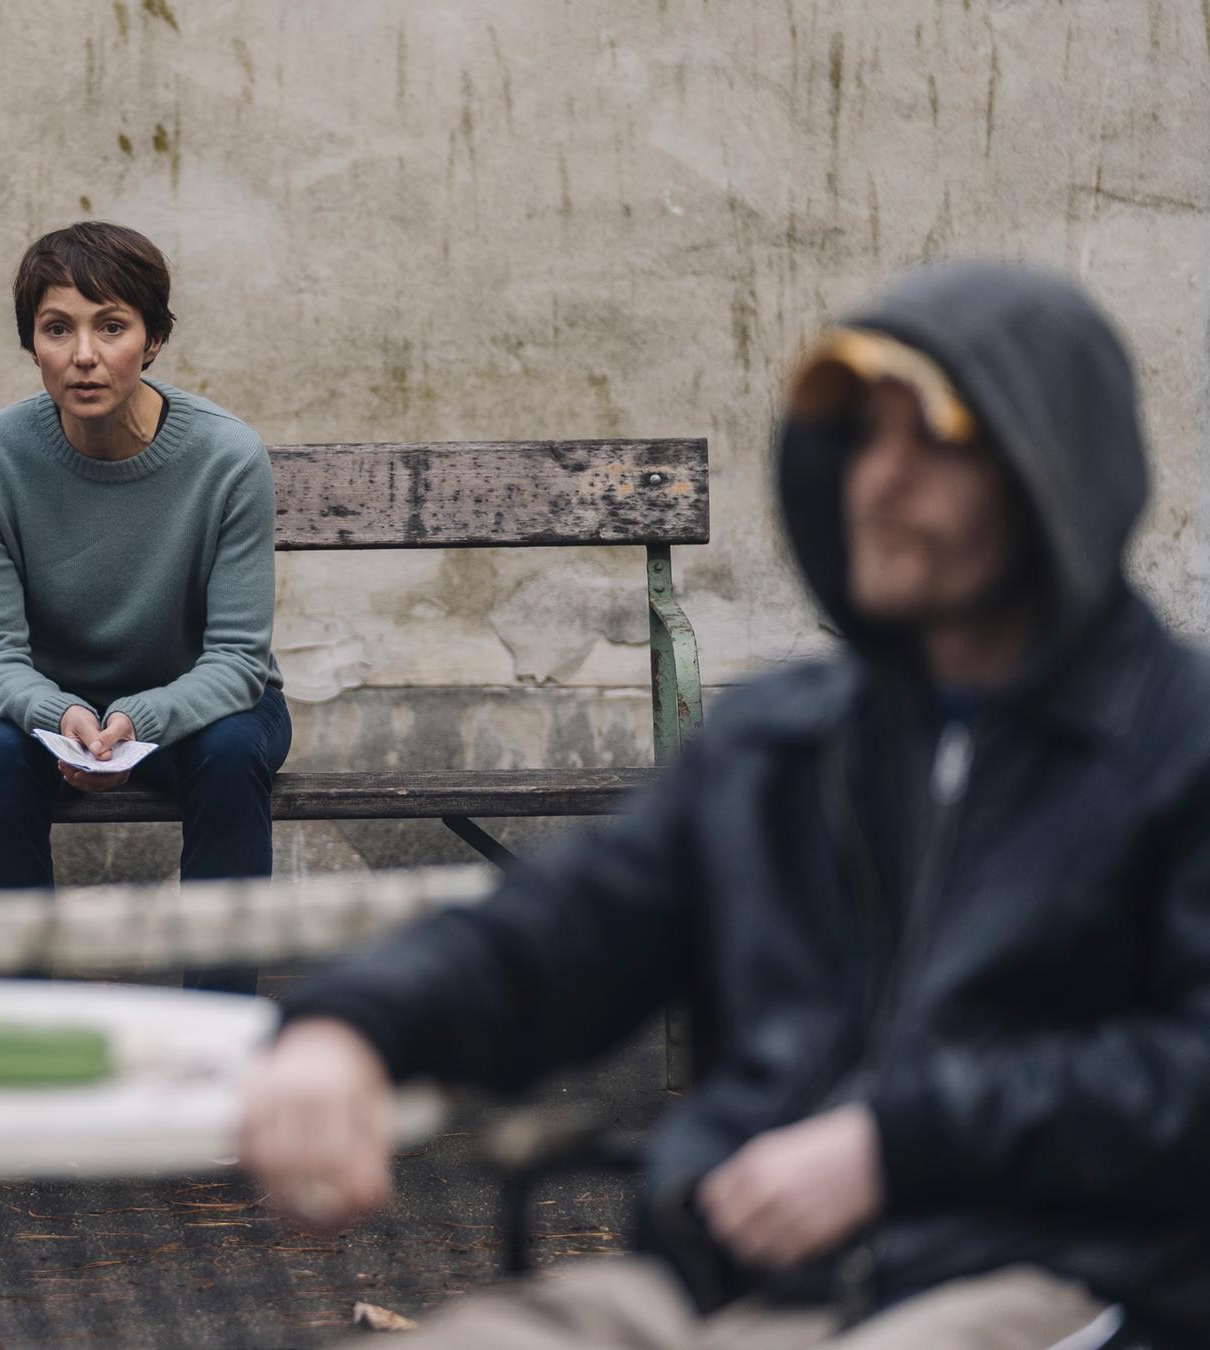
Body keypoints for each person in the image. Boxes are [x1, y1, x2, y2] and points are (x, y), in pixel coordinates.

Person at [241, 262, 1210, 1347]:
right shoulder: (786, 743)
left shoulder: (1178, 745)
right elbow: (560, 931)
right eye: (865, 438)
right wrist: (350, 1028)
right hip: (731, 1278)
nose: (877, 482)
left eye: (933, 442)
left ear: (1053, 471)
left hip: (1052, 1276)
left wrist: (895, 1143)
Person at [0, 221, 288, 996]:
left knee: (237, 754)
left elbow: (238, 660)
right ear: (32, 344)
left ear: (155, 338)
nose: (85, 355)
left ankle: (218, 1023)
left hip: (201, 706)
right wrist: (57, 711)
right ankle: (14, 1017)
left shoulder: (227, 457)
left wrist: (142, 718)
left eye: (112, 326)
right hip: (46, 710)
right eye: (57, 329)